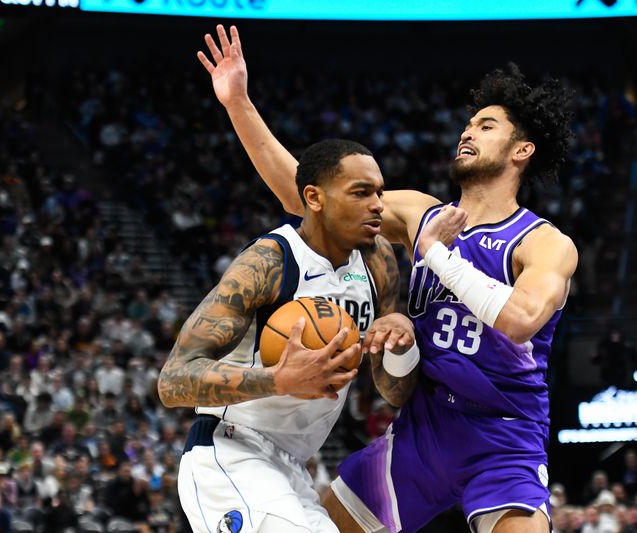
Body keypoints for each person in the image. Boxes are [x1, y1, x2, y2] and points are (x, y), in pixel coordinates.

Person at [199, 25, 577, 533]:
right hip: (423, 428)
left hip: (502, 434)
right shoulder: (420, 211)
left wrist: (435, 255)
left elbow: (521, 319)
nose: (467, 131)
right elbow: (304, 197)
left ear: (521, 151)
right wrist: (238, 103)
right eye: (468, 123)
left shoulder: (543, 242)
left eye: (486, 126)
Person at [157, 138, 418, 533]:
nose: (379, 204)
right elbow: (173, 381)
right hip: (230, 451)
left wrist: (400, 342)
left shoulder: (378, 260)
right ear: (314, 198)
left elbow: (393, 392)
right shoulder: (270, 262)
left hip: (293, 468)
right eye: (361, 193)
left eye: (379, 192)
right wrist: (277, 380)